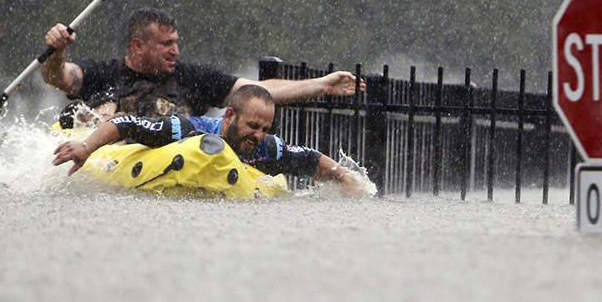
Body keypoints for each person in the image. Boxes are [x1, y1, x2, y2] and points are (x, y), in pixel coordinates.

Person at [41, 7, 363, 120]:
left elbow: (258, 91)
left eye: (176, 42)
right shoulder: (103, 73)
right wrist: (57, 50)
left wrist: (322, 84)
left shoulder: (194, 77)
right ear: (138, 46)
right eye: (166, 44)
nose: (176, 51)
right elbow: (60, 78)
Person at [52, 84, 369, 197]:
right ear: (229, 115)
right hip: (138, 162)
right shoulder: (188, 128)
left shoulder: (264, 147)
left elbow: (309, 159)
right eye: (253, 125)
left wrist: (346, 178)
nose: (258, 135)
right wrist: (86, 147)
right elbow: (125, 123)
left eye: (265, 128)